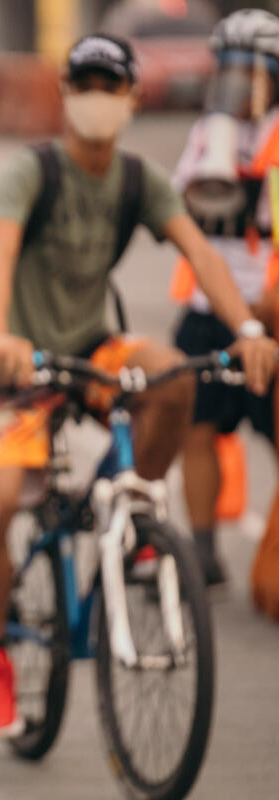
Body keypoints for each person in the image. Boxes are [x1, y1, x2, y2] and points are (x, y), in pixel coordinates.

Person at [0, 33, 278, 738]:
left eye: (112, 86)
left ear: (133, 99)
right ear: (68, 93)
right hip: (14, 362)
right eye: (87, 84)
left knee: (169, 371)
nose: (99, 100)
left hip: (91, 350)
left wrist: (251, 333)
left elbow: (200, 251)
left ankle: (135, 508)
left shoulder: (140, 179)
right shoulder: (31, 170)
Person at [172, 9, 279, 586]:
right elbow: (173, 209)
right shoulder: (205, 133)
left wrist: (266, 307)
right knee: (196, 430)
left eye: (249, 70)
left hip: (268, 316)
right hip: (208, 314)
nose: (236, 81)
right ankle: (205, 552)